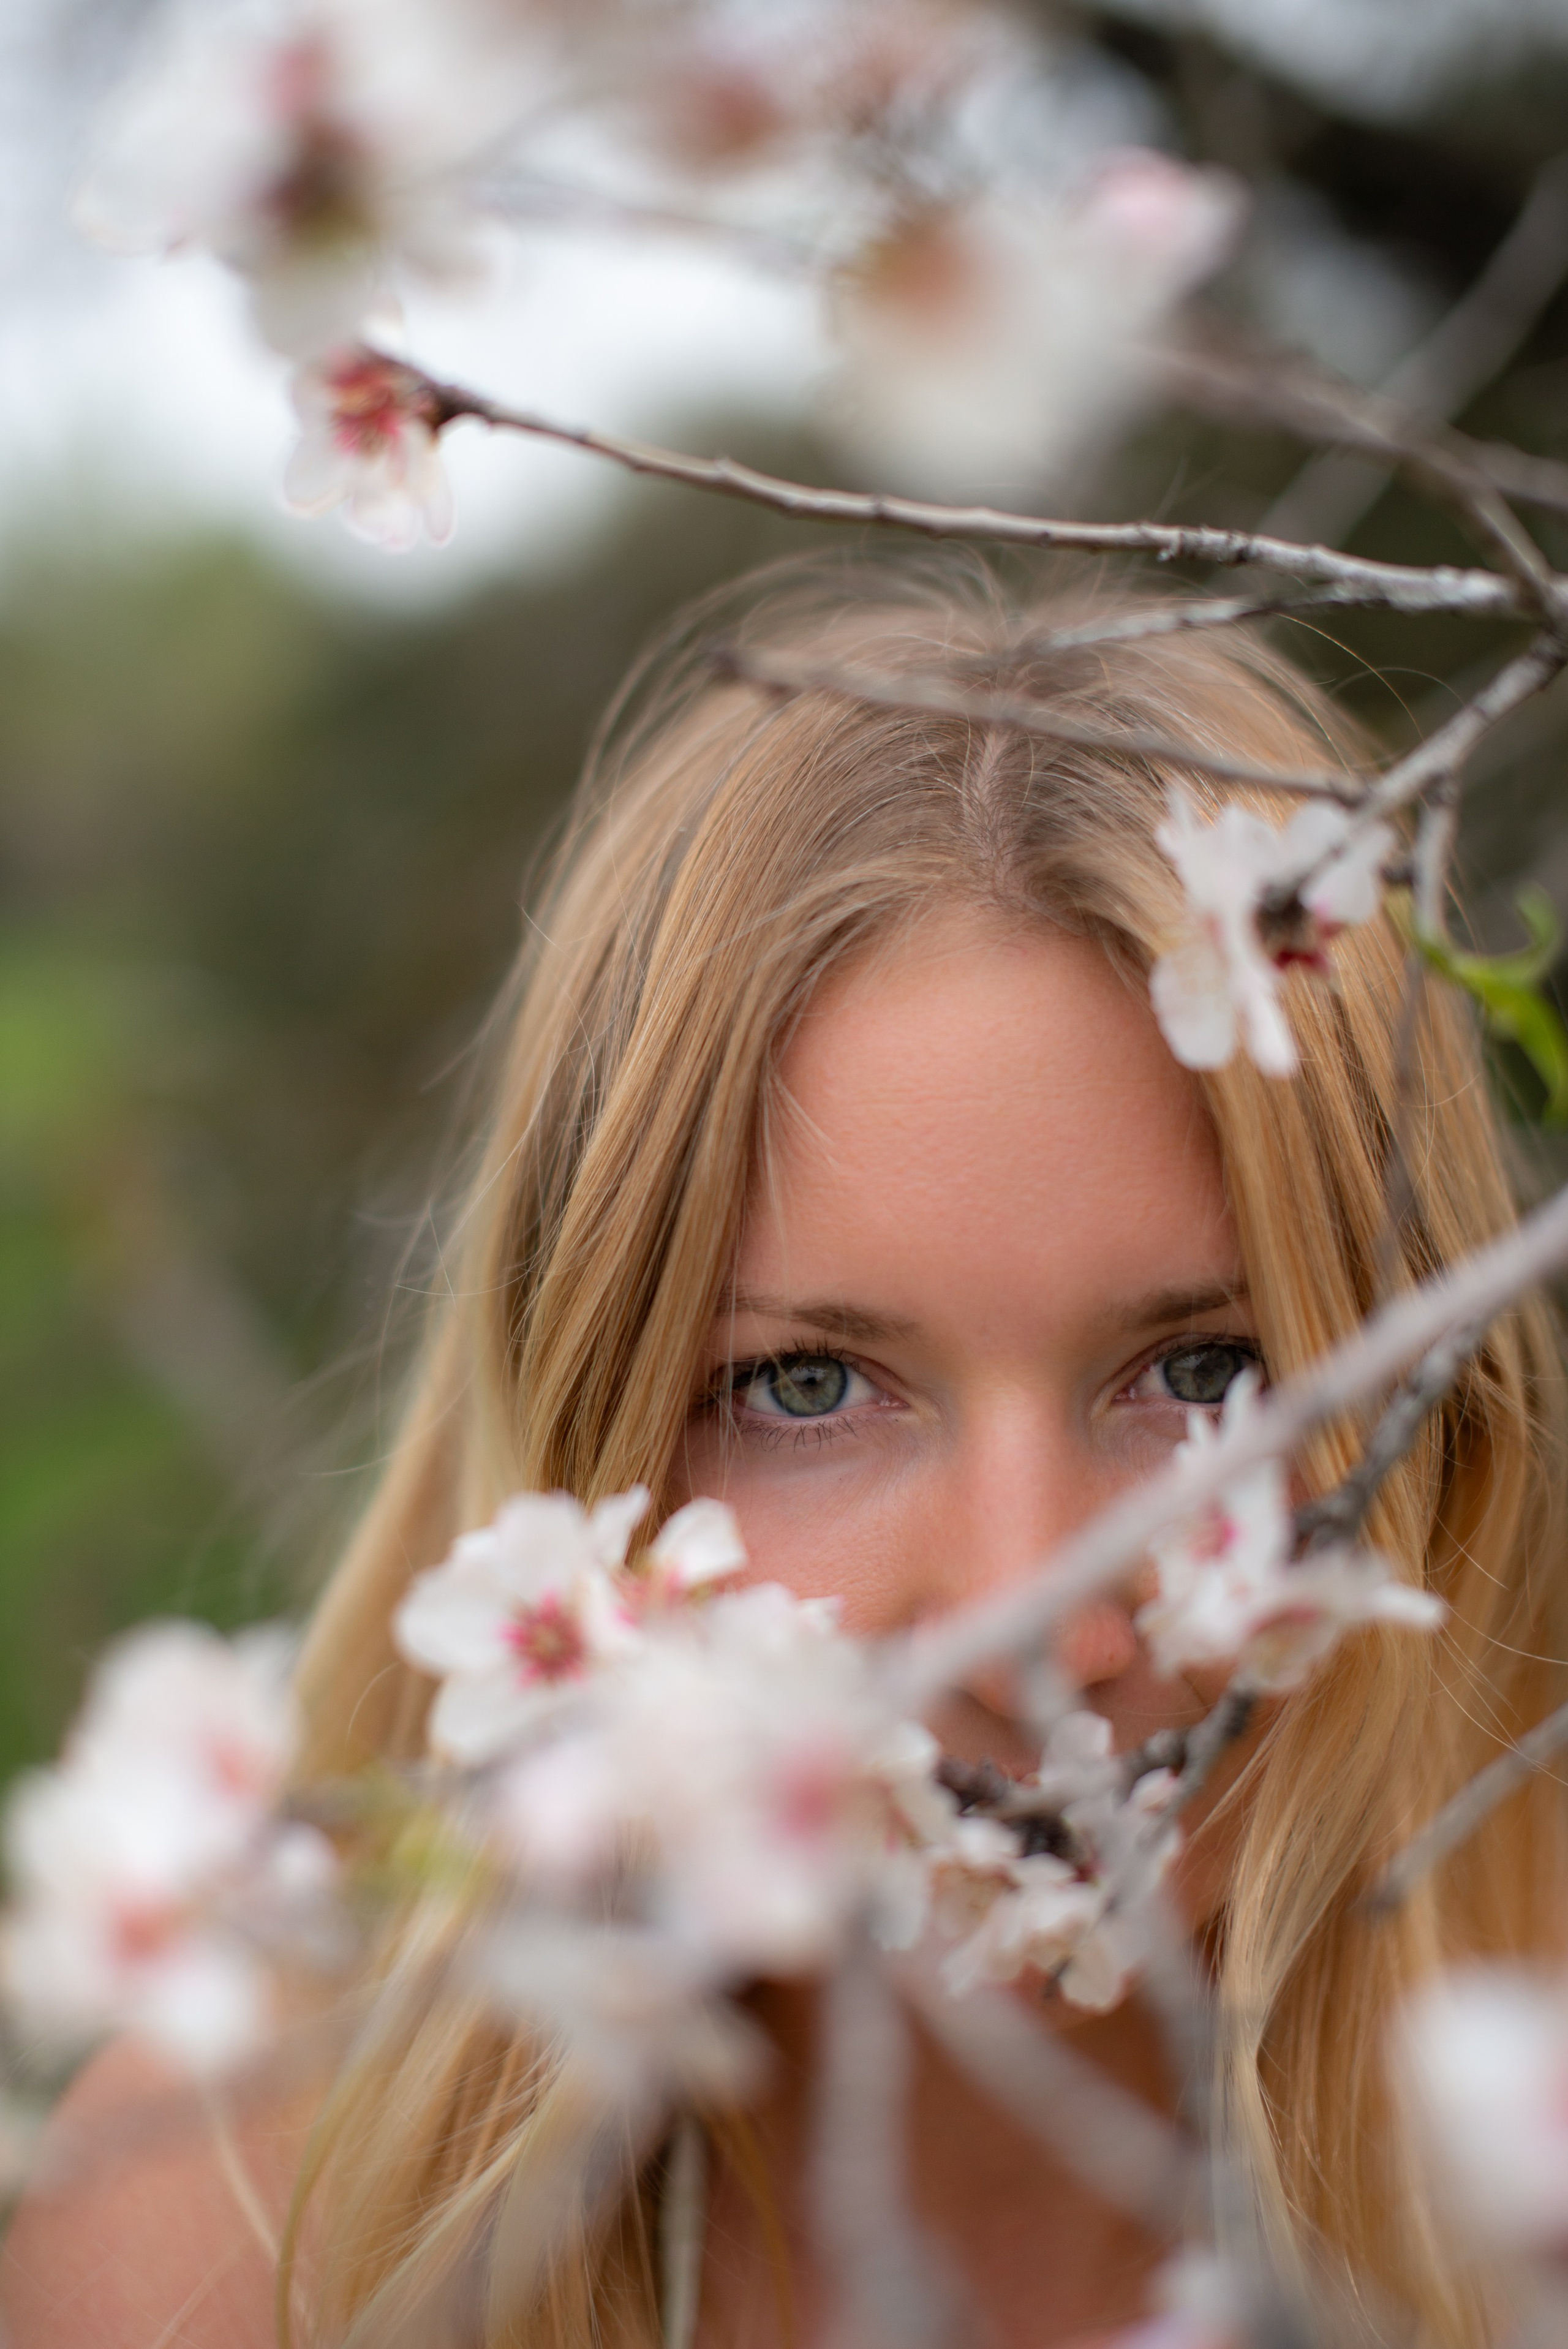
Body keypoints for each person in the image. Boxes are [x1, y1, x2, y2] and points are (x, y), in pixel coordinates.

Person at [5, 556, 1566, 2349]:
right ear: (588, 1440)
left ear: (1437, 1413)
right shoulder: (240, 2226)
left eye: (1208, 1372)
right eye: (811, 1389)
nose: (1038, 1625)